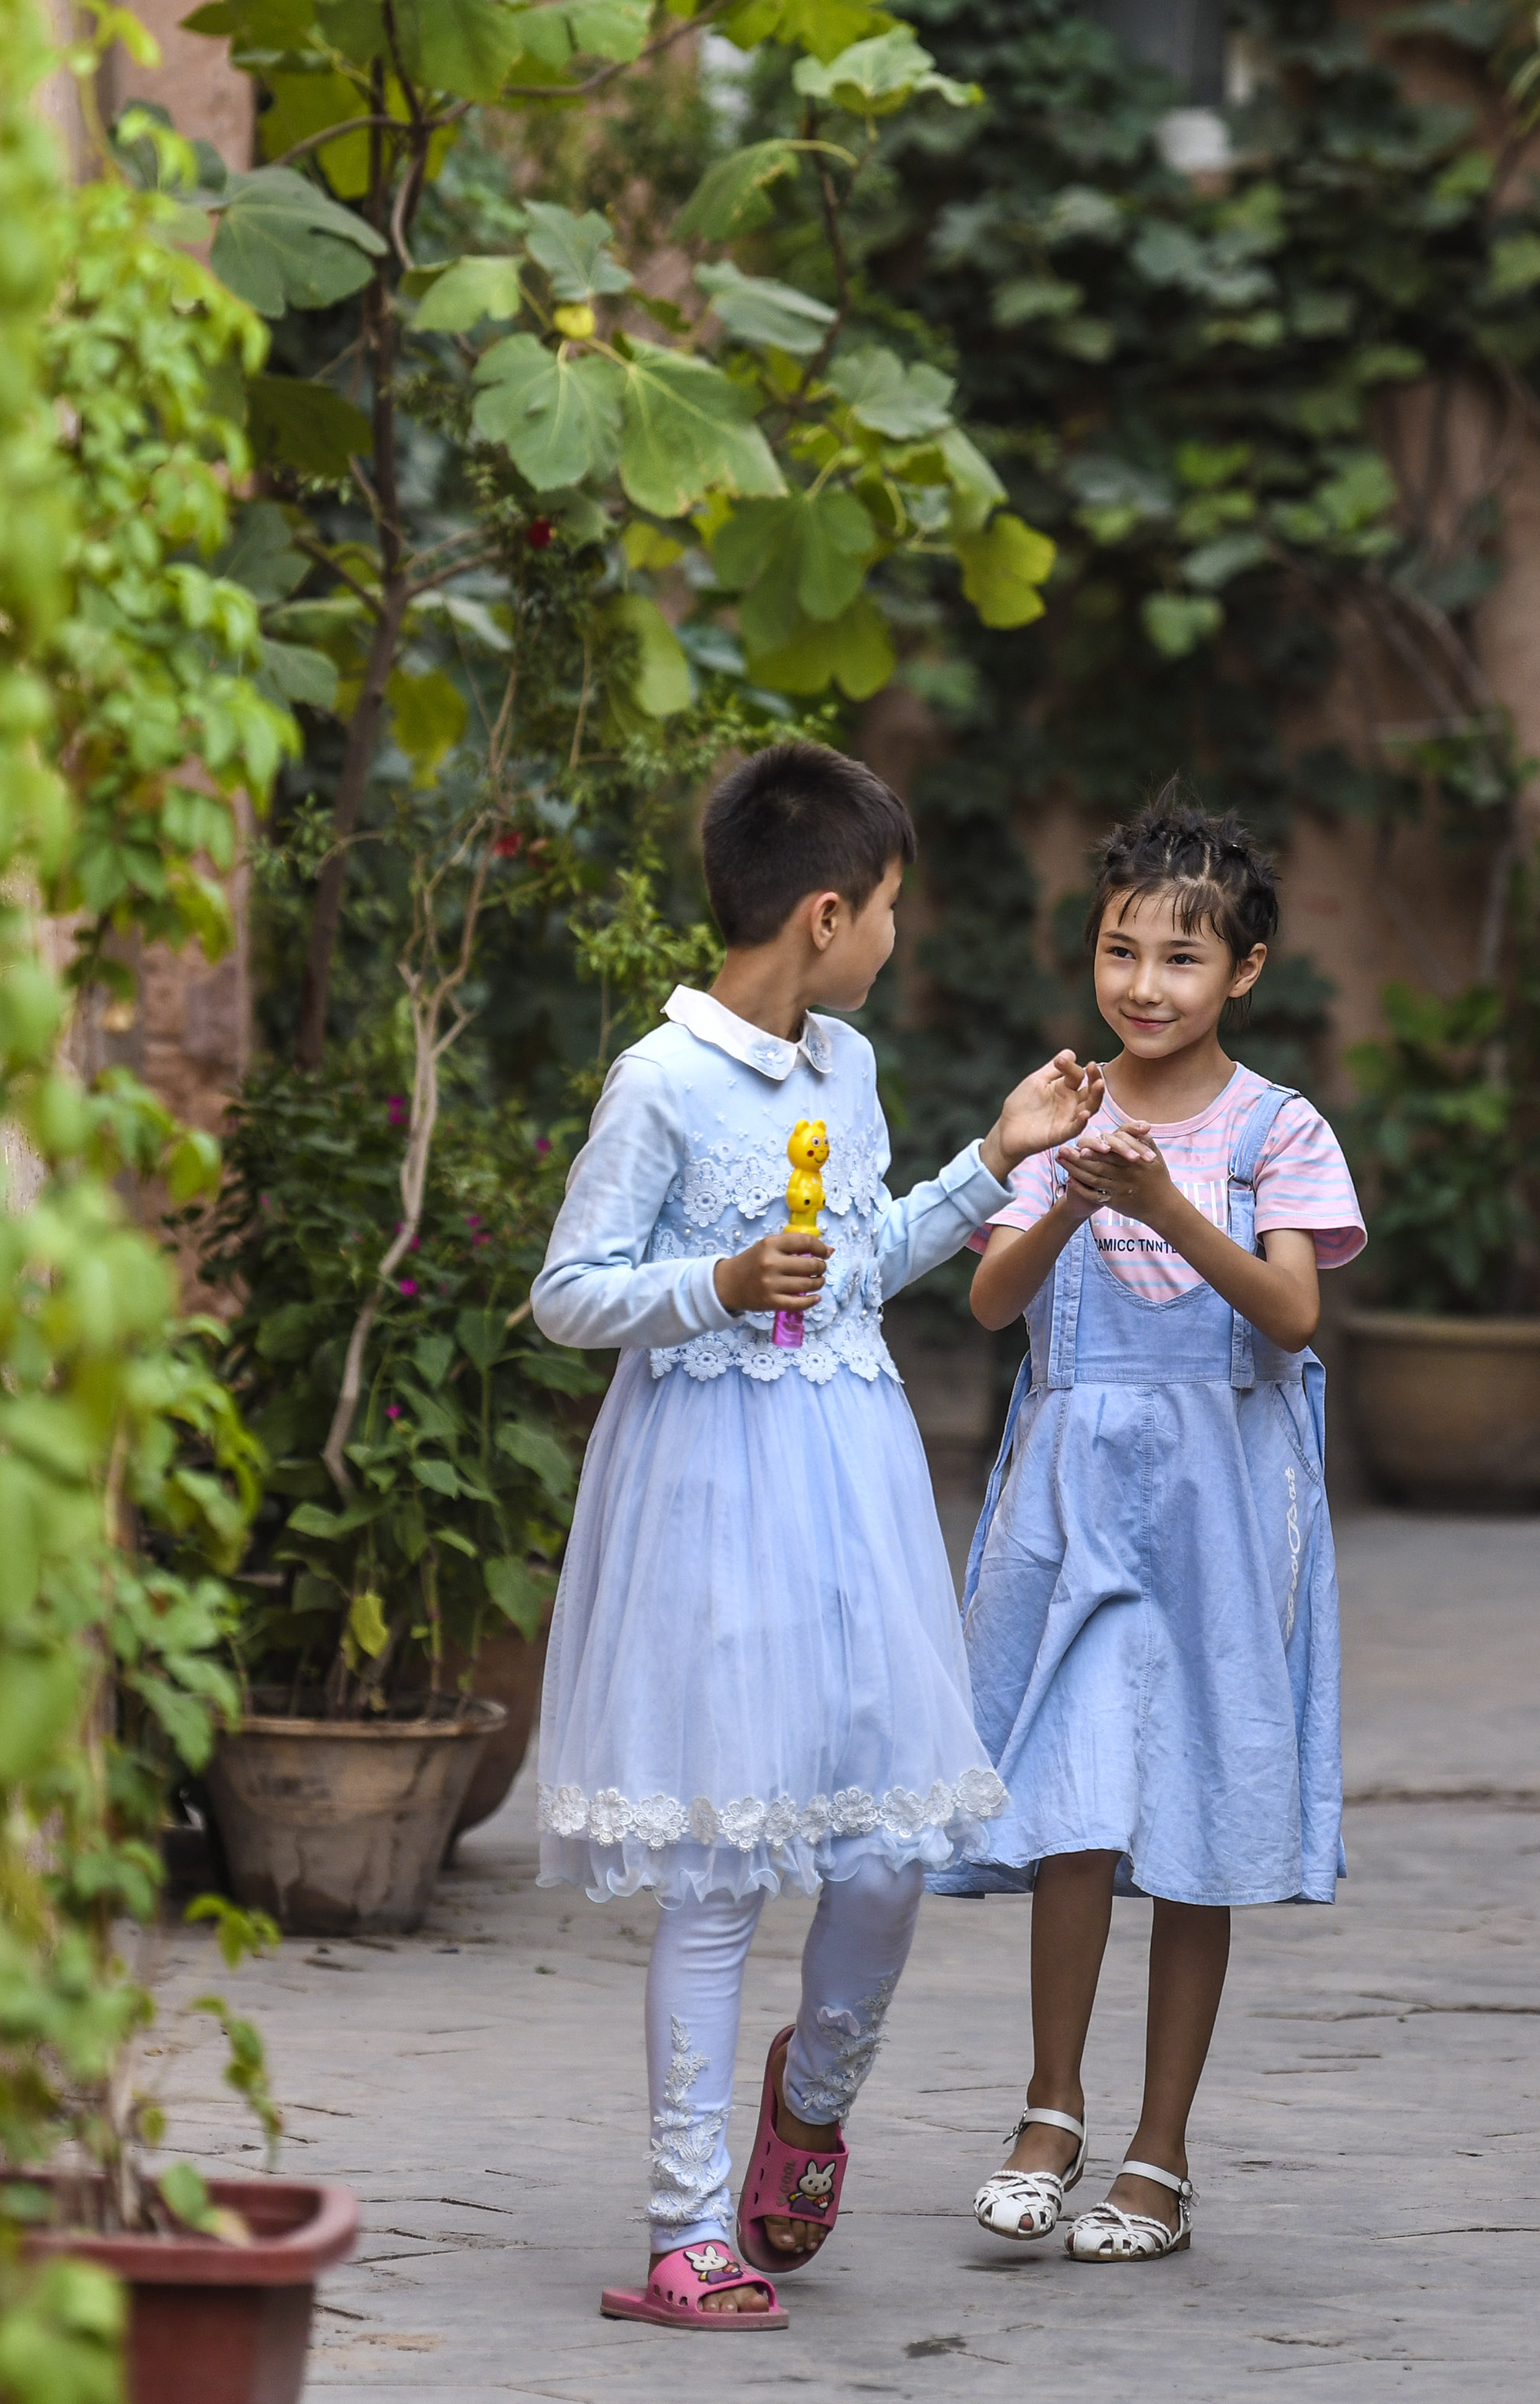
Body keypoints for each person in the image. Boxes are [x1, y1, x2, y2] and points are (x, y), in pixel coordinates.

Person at [527, 741, 1102, 2331]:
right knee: (718, 1860)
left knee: (890, 1840)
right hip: (710, 1492)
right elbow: (568, 1292)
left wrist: (995, 1156)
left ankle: (817, 2091)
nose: (898, 936)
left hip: (851, 1478)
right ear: (828, 911)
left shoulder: (843, 1068)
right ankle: (683, 2225)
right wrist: (708, 1287)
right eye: (892, 909)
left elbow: (866, 1265)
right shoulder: (660, 1084)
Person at [941, 793, 1364, 2264]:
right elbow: (993, 1302)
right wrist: (1061, 1187)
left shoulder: (1278, 1131)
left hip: (1220, 1523)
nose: (1144, 986)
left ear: (1244, 972)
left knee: (1192, 1824)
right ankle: (1049, 2106)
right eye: (1122, 951)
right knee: (1071, 1800)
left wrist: (1172, 1209)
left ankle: (1159, 2153)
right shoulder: (1061, 1105)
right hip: (1075, 1510)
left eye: (1183, 960)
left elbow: (1295, 1314)